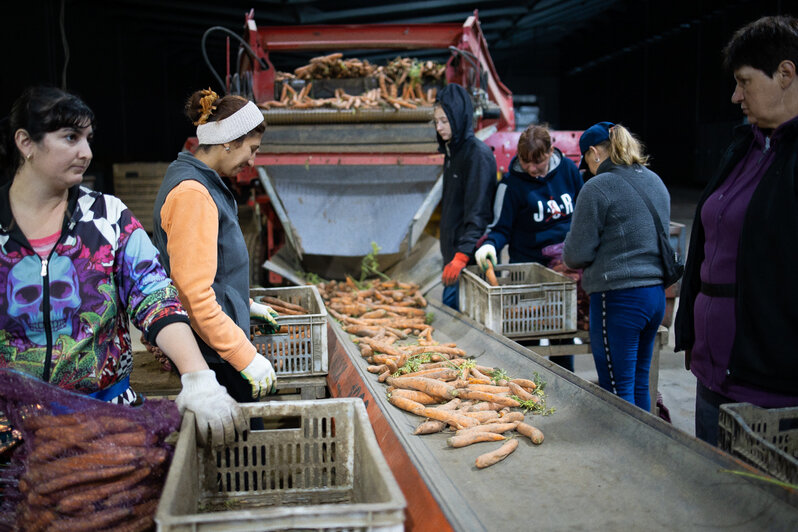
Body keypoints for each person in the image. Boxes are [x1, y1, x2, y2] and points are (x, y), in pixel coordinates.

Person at [0, 86, 244, 447]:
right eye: (70, 138)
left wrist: (198, 377)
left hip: (109, 424)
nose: (86, 152)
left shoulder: (106, 219)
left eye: (88, 138)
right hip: (13, 433)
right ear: (26, 142)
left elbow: (155, 296)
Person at [674, 15, 798, 445]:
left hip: (768, 392)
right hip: (712, 374)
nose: (735, 96)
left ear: (786, 73)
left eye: (744, 82)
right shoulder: (742, 148)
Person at [152, 88, 279, 407]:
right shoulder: (193, 194)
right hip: (215, 356)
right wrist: (245, 355)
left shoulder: (200, 180)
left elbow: (212, 269)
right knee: (244, 451)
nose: (252, 161)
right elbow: (193, 295)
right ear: (228, 141)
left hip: (217, 346)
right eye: (251, 149)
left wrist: (243, 303)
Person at [563, 122, 669, 411]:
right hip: (655, 298)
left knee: (617, 392)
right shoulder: (654, 181)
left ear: (595, 153)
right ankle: (643, 449)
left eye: (586, 159)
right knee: (638, 382)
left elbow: (575, 255)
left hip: (620, 300)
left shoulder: (597, 187)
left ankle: (627, 454)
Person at [474, 124, 583, 371]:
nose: (532, 169)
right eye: (526, 163)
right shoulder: (511, 185)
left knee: (562, 333)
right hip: (529, 269)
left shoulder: (568, 170)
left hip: (563, 270)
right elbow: (501, 228)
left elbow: (584, 213)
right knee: (526, 334)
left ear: (551, 152)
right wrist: (490, 245)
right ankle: (524, 385)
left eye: (539, 162)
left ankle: (564, 382)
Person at [434, 83, 497, 311]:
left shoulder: (477, 156)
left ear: (459, 117)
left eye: (444, 120)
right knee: (450, 316)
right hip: (454, 257)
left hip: (468, 261)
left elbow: (479, 213)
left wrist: (461, 256)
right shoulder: (453, 153)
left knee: (459, 321)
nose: (439, 127)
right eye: (437, 121)